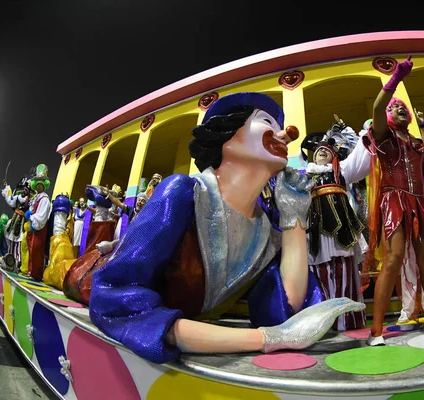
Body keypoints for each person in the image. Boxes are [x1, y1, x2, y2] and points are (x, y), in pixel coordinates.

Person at [89, 92, 364, 364]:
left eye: (282, 128)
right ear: (227, 135)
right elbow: (114, 299)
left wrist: (294, 217)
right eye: (267, 122)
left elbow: (284, 310)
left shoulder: (265, 230)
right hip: (89, 276)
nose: (286, 135)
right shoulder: (183, 193)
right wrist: (266, 339)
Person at [363, 56, 424, 346]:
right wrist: (395, 80)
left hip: (420, 204)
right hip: (394, 201)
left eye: (403, 108)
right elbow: (378, 106)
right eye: (396, 107)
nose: (400, 108)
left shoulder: (417, 146)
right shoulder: (384, 137)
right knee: (393, 259)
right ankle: (376, 330)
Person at [303, 125, 370, 331]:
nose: (322, 151)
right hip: (315, 233)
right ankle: (325, 324)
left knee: (344, 271)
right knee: (320, 275)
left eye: (327, 149)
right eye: (319, 150)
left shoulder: (342, 170)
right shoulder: (304, 175)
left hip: (342, 231)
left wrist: (367, 132)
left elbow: (361, 156)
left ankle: (347, 320)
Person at [23, 164, 52, 281]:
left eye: (41, 185)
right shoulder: (36, 198)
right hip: (33, 226)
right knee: (31, 250)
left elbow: (42, 216)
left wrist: (33, 219)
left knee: (37, 251)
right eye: (37, 185)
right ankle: (31, 271)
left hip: (39, 228)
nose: (39, 187)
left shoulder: (45, 199)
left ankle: (36, 274)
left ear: (44, 186)